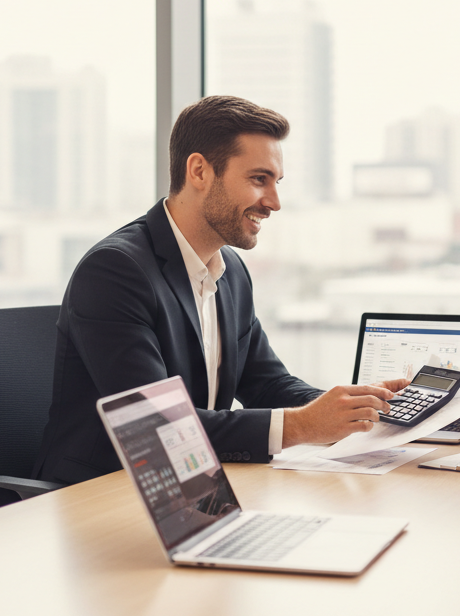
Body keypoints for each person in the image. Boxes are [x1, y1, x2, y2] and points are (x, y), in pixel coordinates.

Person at [33, 95, 406, 485]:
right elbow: (158, 428)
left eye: (276, 183)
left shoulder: (230, 273)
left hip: (195, 486)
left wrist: (357, 409)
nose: (275, 203)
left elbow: (267, 384)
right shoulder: (115, 271)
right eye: (258, 179)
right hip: (104, 494)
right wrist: (302, 426)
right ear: (199, 171)